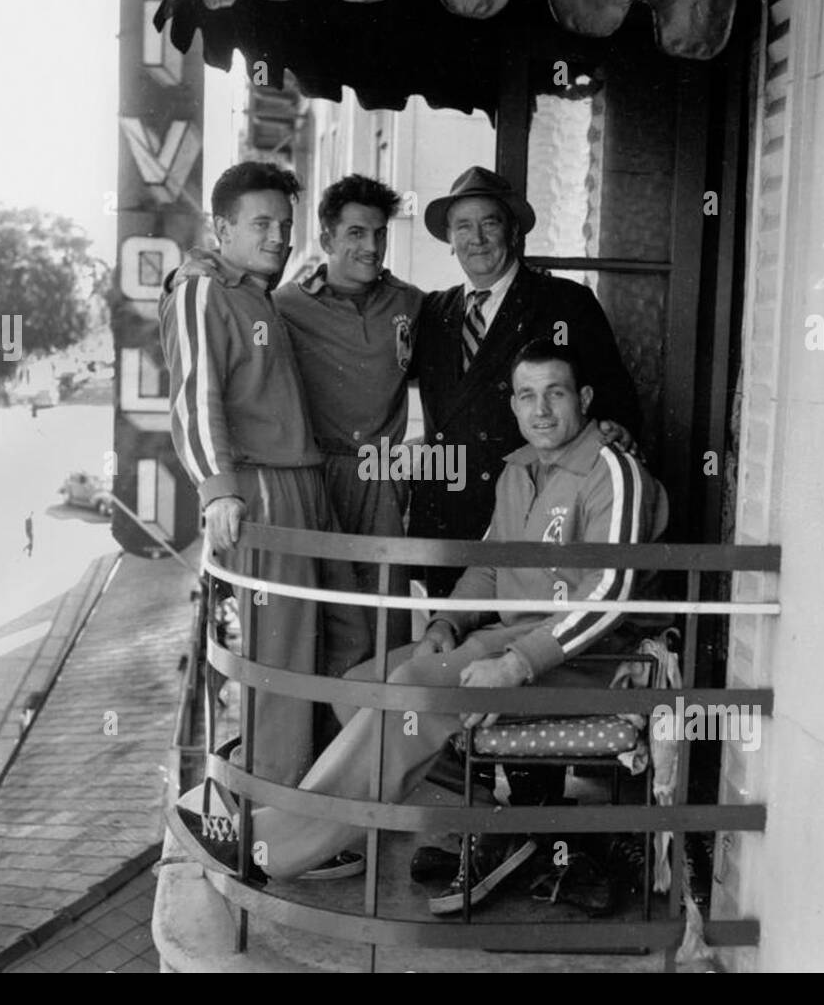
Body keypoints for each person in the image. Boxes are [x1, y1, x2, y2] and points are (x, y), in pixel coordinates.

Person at [168, 339, 669, 913]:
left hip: (588, 661)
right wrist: (446, 622)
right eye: (527, 395)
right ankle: (495, 824)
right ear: (514, 405)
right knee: (358, 689)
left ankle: (267, 848)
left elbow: (611, 594)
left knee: (411, 694)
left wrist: (516, 663)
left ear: (582, 397)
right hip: (508, 641)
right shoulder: (521, 472)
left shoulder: (612, 471)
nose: (542, 410)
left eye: (555, 393)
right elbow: (489, 565)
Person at [409, 165, 647, 811]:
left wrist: (611, 448)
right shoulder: (433, 313)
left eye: (490, 223)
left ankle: (534, 829)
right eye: (463, 226)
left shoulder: (566, 303)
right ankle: (480, 819)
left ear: (512, 230)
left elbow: (615, 411)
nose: (477, 238)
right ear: (448, 238)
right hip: (459, 530)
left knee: (518, 682)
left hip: (541, 530)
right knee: (454, 693)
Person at [158, 161, 371, 878]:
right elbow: (193, 397)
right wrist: (218, 488)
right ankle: (273, 842)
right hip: (262, 494)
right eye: (262, 224)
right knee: (281, 668)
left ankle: (319, 812)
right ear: (220, 229)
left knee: (346, 644)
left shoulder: (258, 295)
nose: (278, 236)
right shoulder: (201, 291)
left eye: (285, 224)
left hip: (306, 488)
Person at [273, 174, 423, 647]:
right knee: (320, 618)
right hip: (316, 476)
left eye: (380, 233)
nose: (372, 246)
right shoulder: (285, 305)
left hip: (381, 478)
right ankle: (322, 724)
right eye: (356, 233)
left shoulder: (411, 303)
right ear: (327, 240)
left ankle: (378, 723)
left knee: (386, 619)